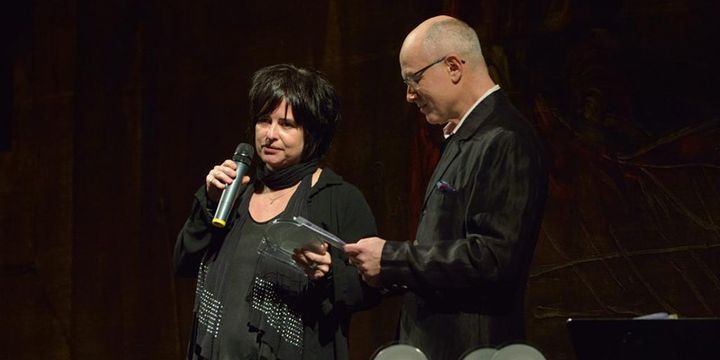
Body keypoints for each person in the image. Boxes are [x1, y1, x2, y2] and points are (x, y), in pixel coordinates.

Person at [344, 16, 548, 360]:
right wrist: (381, 270)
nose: (409, 95)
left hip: (472, 350)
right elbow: (446, 253)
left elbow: (493, 259)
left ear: (453, 66)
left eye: (414, 79)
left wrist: (393, 259)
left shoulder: (505, 138)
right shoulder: (466, 138)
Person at [174, 64, 379, 360]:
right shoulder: (235, 192)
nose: (270, 135)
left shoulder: (339, 199)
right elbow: (183, 261)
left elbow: (369, 288)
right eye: (263, 120)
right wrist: (209, 202)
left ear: (313, 133)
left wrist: (329, 274)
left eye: (286, 124)